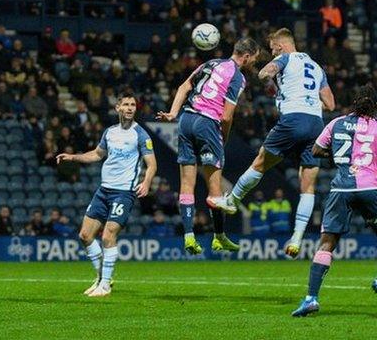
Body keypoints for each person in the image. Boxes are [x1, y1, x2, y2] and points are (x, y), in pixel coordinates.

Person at [221, 28, 336, 258]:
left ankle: (232, 200)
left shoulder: (284, 58)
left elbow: (264, 74)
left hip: (292, 119)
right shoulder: (316, 67)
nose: (272, 53)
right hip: (315, 124)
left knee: (261, 163)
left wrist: (271, 79)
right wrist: (307, 100)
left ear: (281, 46)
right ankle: (296, 239)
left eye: (273, 49)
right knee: (308, 184)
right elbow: (331, 104)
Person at [156, 37, 260, 255]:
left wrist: (174, 113)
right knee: (215, 189)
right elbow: (227, 116)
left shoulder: (210, 63)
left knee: (186, 183)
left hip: (186, 120)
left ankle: (189, 236)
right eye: (254, 60)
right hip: (208, 124)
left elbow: (185, 86)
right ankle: (218, 237)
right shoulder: (238, 77)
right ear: (247, 56)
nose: (253, 64)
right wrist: (224, 136)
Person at [56, 92, 157, 297]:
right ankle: (102, 277)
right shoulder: (110, 132)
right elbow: (97, 154)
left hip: (124, 192)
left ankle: (105, 285)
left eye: (133, 105)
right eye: (126, 104)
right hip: (104, 190)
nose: (130, 108)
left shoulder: (141, 134)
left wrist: (146, 182)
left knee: (108, 234)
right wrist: (73, 157)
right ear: (117, 108)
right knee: (85, 235)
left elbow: (152, 163)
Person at [291, 85, 377, 316]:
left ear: (352, 102)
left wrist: (340, 156)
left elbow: (317, 150)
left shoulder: (335, 123)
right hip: (371, 187)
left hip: (341, 188)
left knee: (327, 243)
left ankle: (311, 298)